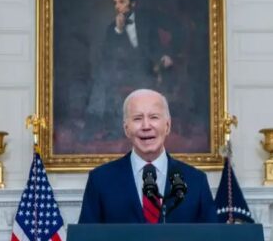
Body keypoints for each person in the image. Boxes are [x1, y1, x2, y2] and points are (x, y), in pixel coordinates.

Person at [79, 88, 217, 224]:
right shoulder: (100, 180)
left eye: (154, 117)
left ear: (167, 126)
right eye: (137, 118)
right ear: (126, 129)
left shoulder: (196, 181)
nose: (146, 126)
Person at [85, 0, 183, 142]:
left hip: (149, 70)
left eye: (122, 2)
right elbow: (107, 55)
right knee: (104, 77)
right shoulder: (113, 28)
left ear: (133, 4)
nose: (118, 6)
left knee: (105, 79)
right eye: (115, 3)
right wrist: (118, 30)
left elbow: (178, 29)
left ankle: (96, 125)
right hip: (124, 72)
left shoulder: (148, 19)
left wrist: (168, 54)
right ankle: (98, 124)